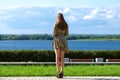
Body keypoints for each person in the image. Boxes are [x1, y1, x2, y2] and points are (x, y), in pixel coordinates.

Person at [52, 13, 69, 78]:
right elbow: (67, 33)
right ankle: (62, 71)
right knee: (62, 57)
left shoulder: (55, 25)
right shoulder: (66, 25)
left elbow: (54, 33)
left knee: (57, 57)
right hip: (63, 40)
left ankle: (58, 71)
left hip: (57, 40)